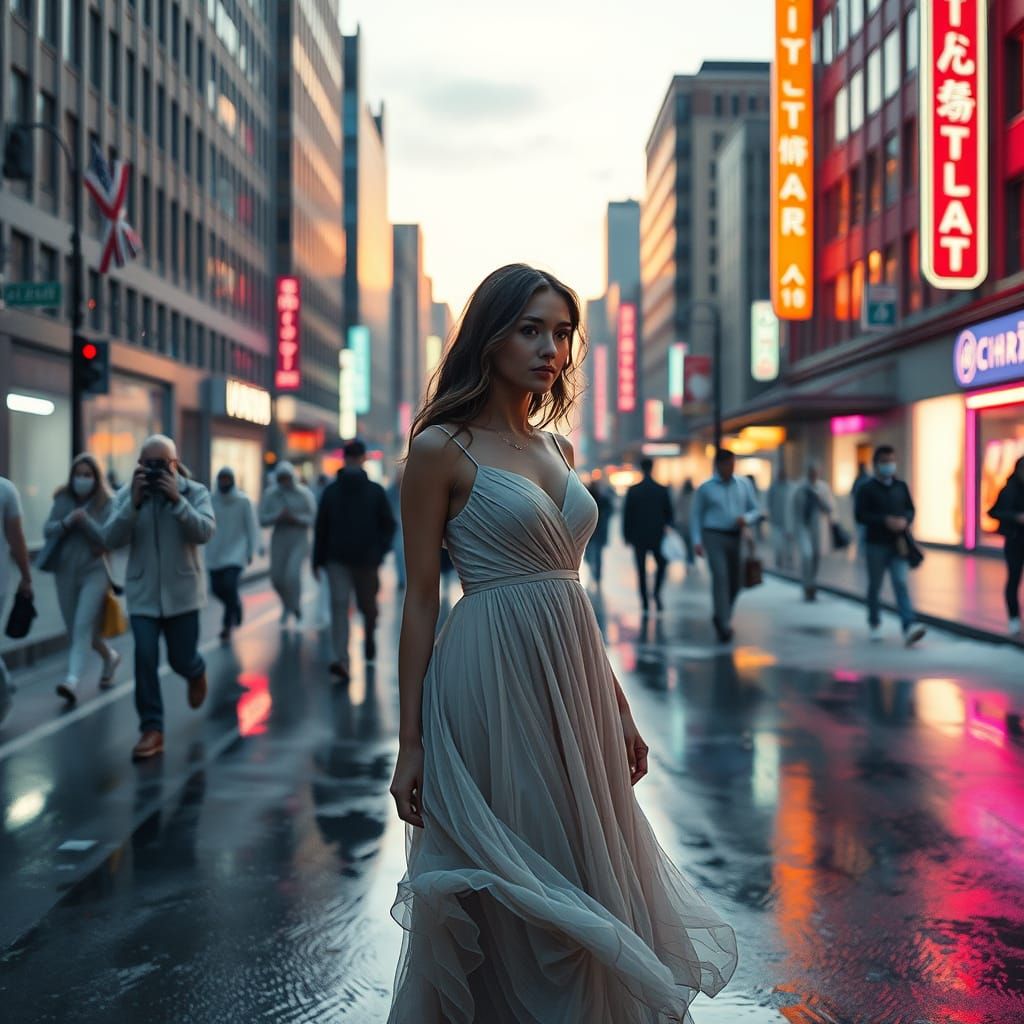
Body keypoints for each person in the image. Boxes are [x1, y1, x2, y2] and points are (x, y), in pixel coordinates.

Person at [386, 264, 735, 1022]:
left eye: (563, 333)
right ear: (490, 336)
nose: (552, 348)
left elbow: (569, 594)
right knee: (518, 869)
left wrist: (617, 705)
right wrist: (409, 741)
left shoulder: (560, 450)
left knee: (583, 861)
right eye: (531, 329)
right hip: (487, 672)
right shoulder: (440, 447)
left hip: (569, 675)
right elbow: (419, 599)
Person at [103, 435, 215, 760]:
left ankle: (195, 671)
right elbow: (109, 539)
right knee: (145, 658)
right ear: (139, 464)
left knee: (181, 658)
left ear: (175, 464)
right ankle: (151, 729)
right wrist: (133, 506)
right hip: (143, 596)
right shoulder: (127, 495)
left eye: (161, 464)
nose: (154, 471)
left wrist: (177, 502)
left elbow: (205, 532)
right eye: (147, 464)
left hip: (183, 595)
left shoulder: (196, 493)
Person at [313, 439, 396, 680]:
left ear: (360, 459)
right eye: (350, 457)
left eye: (353, 457)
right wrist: (318, 559)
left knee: (367, 608)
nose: (351, 461)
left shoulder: (371, 491)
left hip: (364, 560)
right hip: (340, 560)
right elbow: (321, 528)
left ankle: (368, 639)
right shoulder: (337, 491)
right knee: (340, 607)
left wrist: (379, 553)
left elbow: (388, 526)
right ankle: (342, 660)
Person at [43, 454, 119, 705]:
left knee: (83, 626)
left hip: (94, 572)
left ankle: (72, 680)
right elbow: (48, 529)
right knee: (75, 628)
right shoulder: (63, 498)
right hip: (65, 570)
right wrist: (67, 522)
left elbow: (108, 537)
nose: (82, 479)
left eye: (88, 475)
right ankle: (109, 656)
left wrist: (85, 522)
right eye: (79, 474)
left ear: (96, 478)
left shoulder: (107, 502)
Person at [854, 445, 926, 646]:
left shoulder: (900, 486)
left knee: (901, 583)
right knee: (875, 586)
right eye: (885, 461)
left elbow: (910, 509)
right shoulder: (866, 488)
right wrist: (884, 520)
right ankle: (875, 623)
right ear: (877, 464)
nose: (889, 465)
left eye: (891, 461)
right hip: (875, 544)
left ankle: (908, 625)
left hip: (898, 544)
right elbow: (860, 515)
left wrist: (905, 520)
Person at [691, 448, 762, 643]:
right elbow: (696, 515)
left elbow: (756, 510)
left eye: (733, 463)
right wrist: (697, 541)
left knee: (736, 581)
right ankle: (724, 624)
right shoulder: (706, 488)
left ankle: (722, 613)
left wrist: (746, 518)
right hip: (714, 536)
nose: (730, 468)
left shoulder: (744, 484)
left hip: (736, 536)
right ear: (718, 465)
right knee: (720, 577)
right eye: (726, 464)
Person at [259, 461, 317, 629]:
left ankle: (296, 607)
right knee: (277, 578)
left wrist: (296, 518)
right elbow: (262, 519)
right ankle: (288, 604)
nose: (284, 482)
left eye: (287, 478)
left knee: (292, 575)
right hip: (279, 538)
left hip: (299, 538)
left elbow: (313, 518)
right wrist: (277, 516)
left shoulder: (304, 494)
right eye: (281, 478)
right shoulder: (271, 495)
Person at [206, 467, 260, 641]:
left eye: (227, 479)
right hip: (215, 552)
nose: (224, 482)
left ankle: (226, 625)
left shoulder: (243, 501)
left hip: (236, 552)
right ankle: (235, 604)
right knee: (216, 589)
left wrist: (251, 550)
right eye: (221, 479)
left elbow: (251, 527)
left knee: (229, 585)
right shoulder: (210, 500)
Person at [0, 475, 32, 726]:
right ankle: (4, 686)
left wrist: (26, 577)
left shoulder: (5, 490)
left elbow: (16, 538)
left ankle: (2, 698)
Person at [622, 458, 673, 612]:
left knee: (641, 570)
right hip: (658, 535)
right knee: (662, 565)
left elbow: (627, 515)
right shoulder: (661, 489)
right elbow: (669, 514)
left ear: (641, 469)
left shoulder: (633, 490)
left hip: (638, 536)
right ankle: (656, 593)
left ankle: (644, 600)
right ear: (652, 468)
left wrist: (626, 535)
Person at [988, 455, 1024, 636]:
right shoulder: (1009, 490)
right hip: (1015, 540)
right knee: (1014, 578)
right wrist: (1015, 517)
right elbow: (993, 512)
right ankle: (1014, 618)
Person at [789, 463, 835, 601]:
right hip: (803, 527)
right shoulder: (800, 488)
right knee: (807, 555)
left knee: (815, 557)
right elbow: (794, 510)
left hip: (818, 529)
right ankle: (807, 585)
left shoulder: (823, 488)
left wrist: (820, 500)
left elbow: (830, 508)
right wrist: (791, 529)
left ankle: (812, 584)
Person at [583, 470, 613, 584]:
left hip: (591, 532)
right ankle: (597, 575)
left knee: (591, 554)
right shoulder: (603, 499)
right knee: (595, 555)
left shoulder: (589, 498)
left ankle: (595, 574)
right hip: (597, 532)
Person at [766, 464, 793, 569]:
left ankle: (790, 561)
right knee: (778, 544)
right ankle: (779, 561)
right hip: (776, 521)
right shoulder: (773, 487)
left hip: (788, 521)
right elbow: (769, 502)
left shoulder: (790, 487)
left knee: (789, 544)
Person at [386, 469, 406, 589]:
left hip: (407, 527)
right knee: (399, 553)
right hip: (397, 528)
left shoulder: (410, 490)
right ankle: (402, 579)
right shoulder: (390, 492)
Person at [674, 478, 697, 568]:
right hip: (687, 523)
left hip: (685, 523)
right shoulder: (693, 495)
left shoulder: (684, 495)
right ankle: (690, 559)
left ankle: (689, 559)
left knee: (688, 543)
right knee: (689, 543)